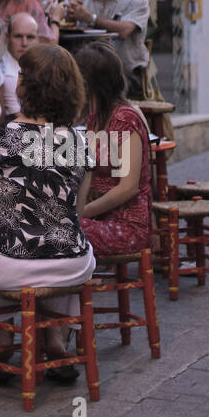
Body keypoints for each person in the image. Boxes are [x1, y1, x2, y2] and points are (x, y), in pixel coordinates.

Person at [0, 43, 96, 384]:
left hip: (9, 268)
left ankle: (3, 339)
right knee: (65, 233)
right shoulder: (79, 143)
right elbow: (77, 212)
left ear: (26, 86)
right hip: (67, 268)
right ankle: (56, 337)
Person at [74, 42, 152, 257]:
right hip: (97, 217)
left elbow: (128, 187)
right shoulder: (95, 117)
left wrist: (82, 213)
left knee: (62, 231)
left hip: (126, 226)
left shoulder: (125, 119)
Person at [65, 0, 151, 99]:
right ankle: (47, 124)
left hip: (125, 76)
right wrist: (69, 15)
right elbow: (69, 27)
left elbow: (125, 30)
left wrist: (91, 18)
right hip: (87, 75)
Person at [0, 11, 40, 118]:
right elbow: (22, 119)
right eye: (18, 36)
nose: (24, 43)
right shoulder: (8, 74)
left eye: (30, 37)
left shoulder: (35, 65)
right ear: (7, 37)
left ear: (38, 39)